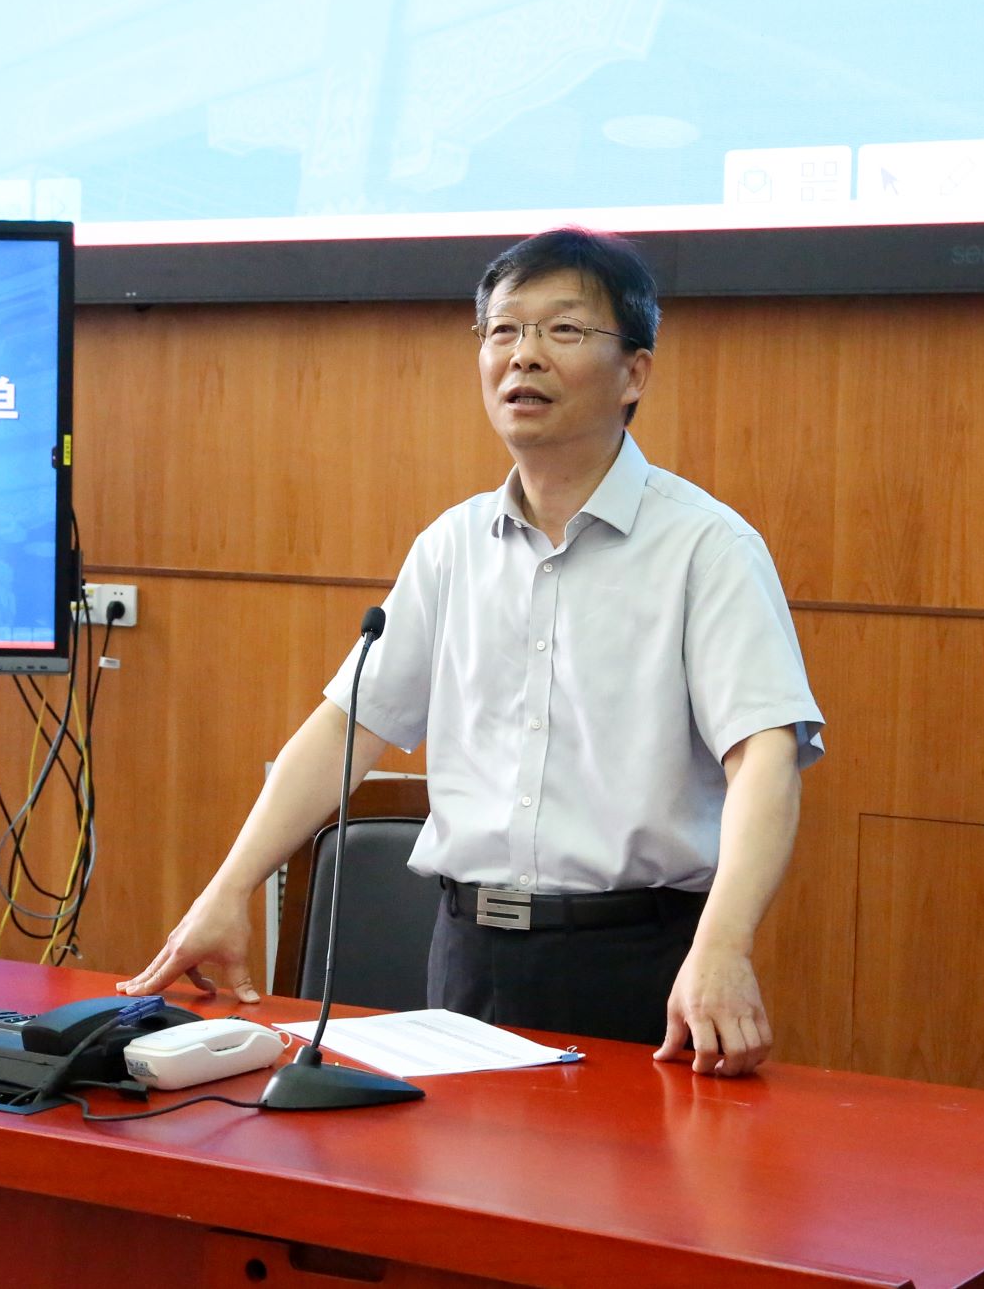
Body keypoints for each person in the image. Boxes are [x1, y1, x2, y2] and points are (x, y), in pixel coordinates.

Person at [120, 228, 823, 1076]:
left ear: (634, 372)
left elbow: (765, 756)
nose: (524, 355)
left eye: (564, 330)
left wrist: (724, 945)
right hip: (466, 957)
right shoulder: (452, 546)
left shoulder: (706, 547)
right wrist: (227, 889)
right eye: (503, 330)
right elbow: (345, 728)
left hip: (640, 959)